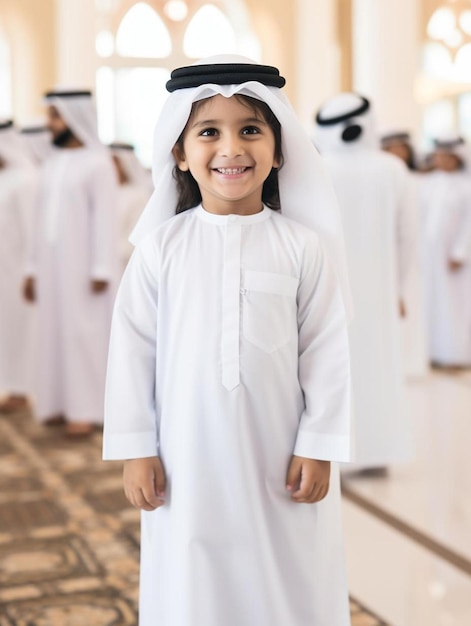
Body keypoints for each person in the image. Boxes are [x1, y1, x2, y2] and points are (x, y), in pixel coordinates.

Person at [103, 55, 353, 626]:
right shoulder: (160, 249)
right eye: (208, 132)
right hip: (183, 454)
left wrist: (319, 443)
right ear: (180, 153)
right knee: (192, 571)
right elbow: (132, 353)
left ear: (279, 150)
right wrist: (137, 448)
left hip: (280, 453)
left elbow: (327, 352)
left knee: (288, 569)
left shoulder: (301, 247)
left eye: (250, 131)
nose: (231, 149)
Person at [314, 93, 414, 473]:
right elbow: (407, 236)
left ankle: (341, 456)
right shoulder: (392, 168)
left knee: (336, 368)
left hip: (329, 291)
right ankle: (378, 452)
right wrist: (399, 287)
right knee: (379, 364)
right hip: (379, 288)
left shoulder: (319, 168)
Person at [23, 89, 119, 437]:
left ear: (74, 116)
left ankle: (87, 409)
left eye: (55, 116)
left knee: (84, 335)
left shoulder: (97, 163)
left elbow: (106, 219)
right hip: (50, 267)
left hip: (85, 267)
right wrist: (32, 269)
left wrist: (101, 267)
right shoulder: (53, 162)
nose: (50, 125)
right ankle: (56, 403)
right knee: (52, 332)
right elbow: (39, 221)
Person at [421, 135, 471, 368]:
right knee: (430, 302)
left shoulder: (465, 186)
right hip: (428, 256)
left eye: (447, 157)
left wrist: (461, 252)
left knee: (455, 305)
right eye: (439, 156)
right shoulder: (427, 183)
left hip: (454, 258)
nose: (442, 160)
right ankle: (432, 352)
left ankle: (456, 354)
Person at [381, 130, 428, 378]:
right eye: (391, 148)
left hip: (414, 253)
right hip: (386, 252)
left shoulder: (416, 179)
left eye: (402, 148)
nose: (397, 153)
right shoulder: (383, 176)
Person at [0, 120, 37, 413]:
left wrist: (29, 271)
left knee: (17, 330)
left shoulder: (24, 179)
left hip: (15, 271)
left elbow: (31, 231)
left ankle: (21, 388)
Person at [109, 143, 152, 272]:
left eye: (114, 163)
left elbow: (136, 236)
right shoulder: (105, 193)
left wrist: (111, 256)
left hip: (125, 264)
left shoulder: (139, 195)